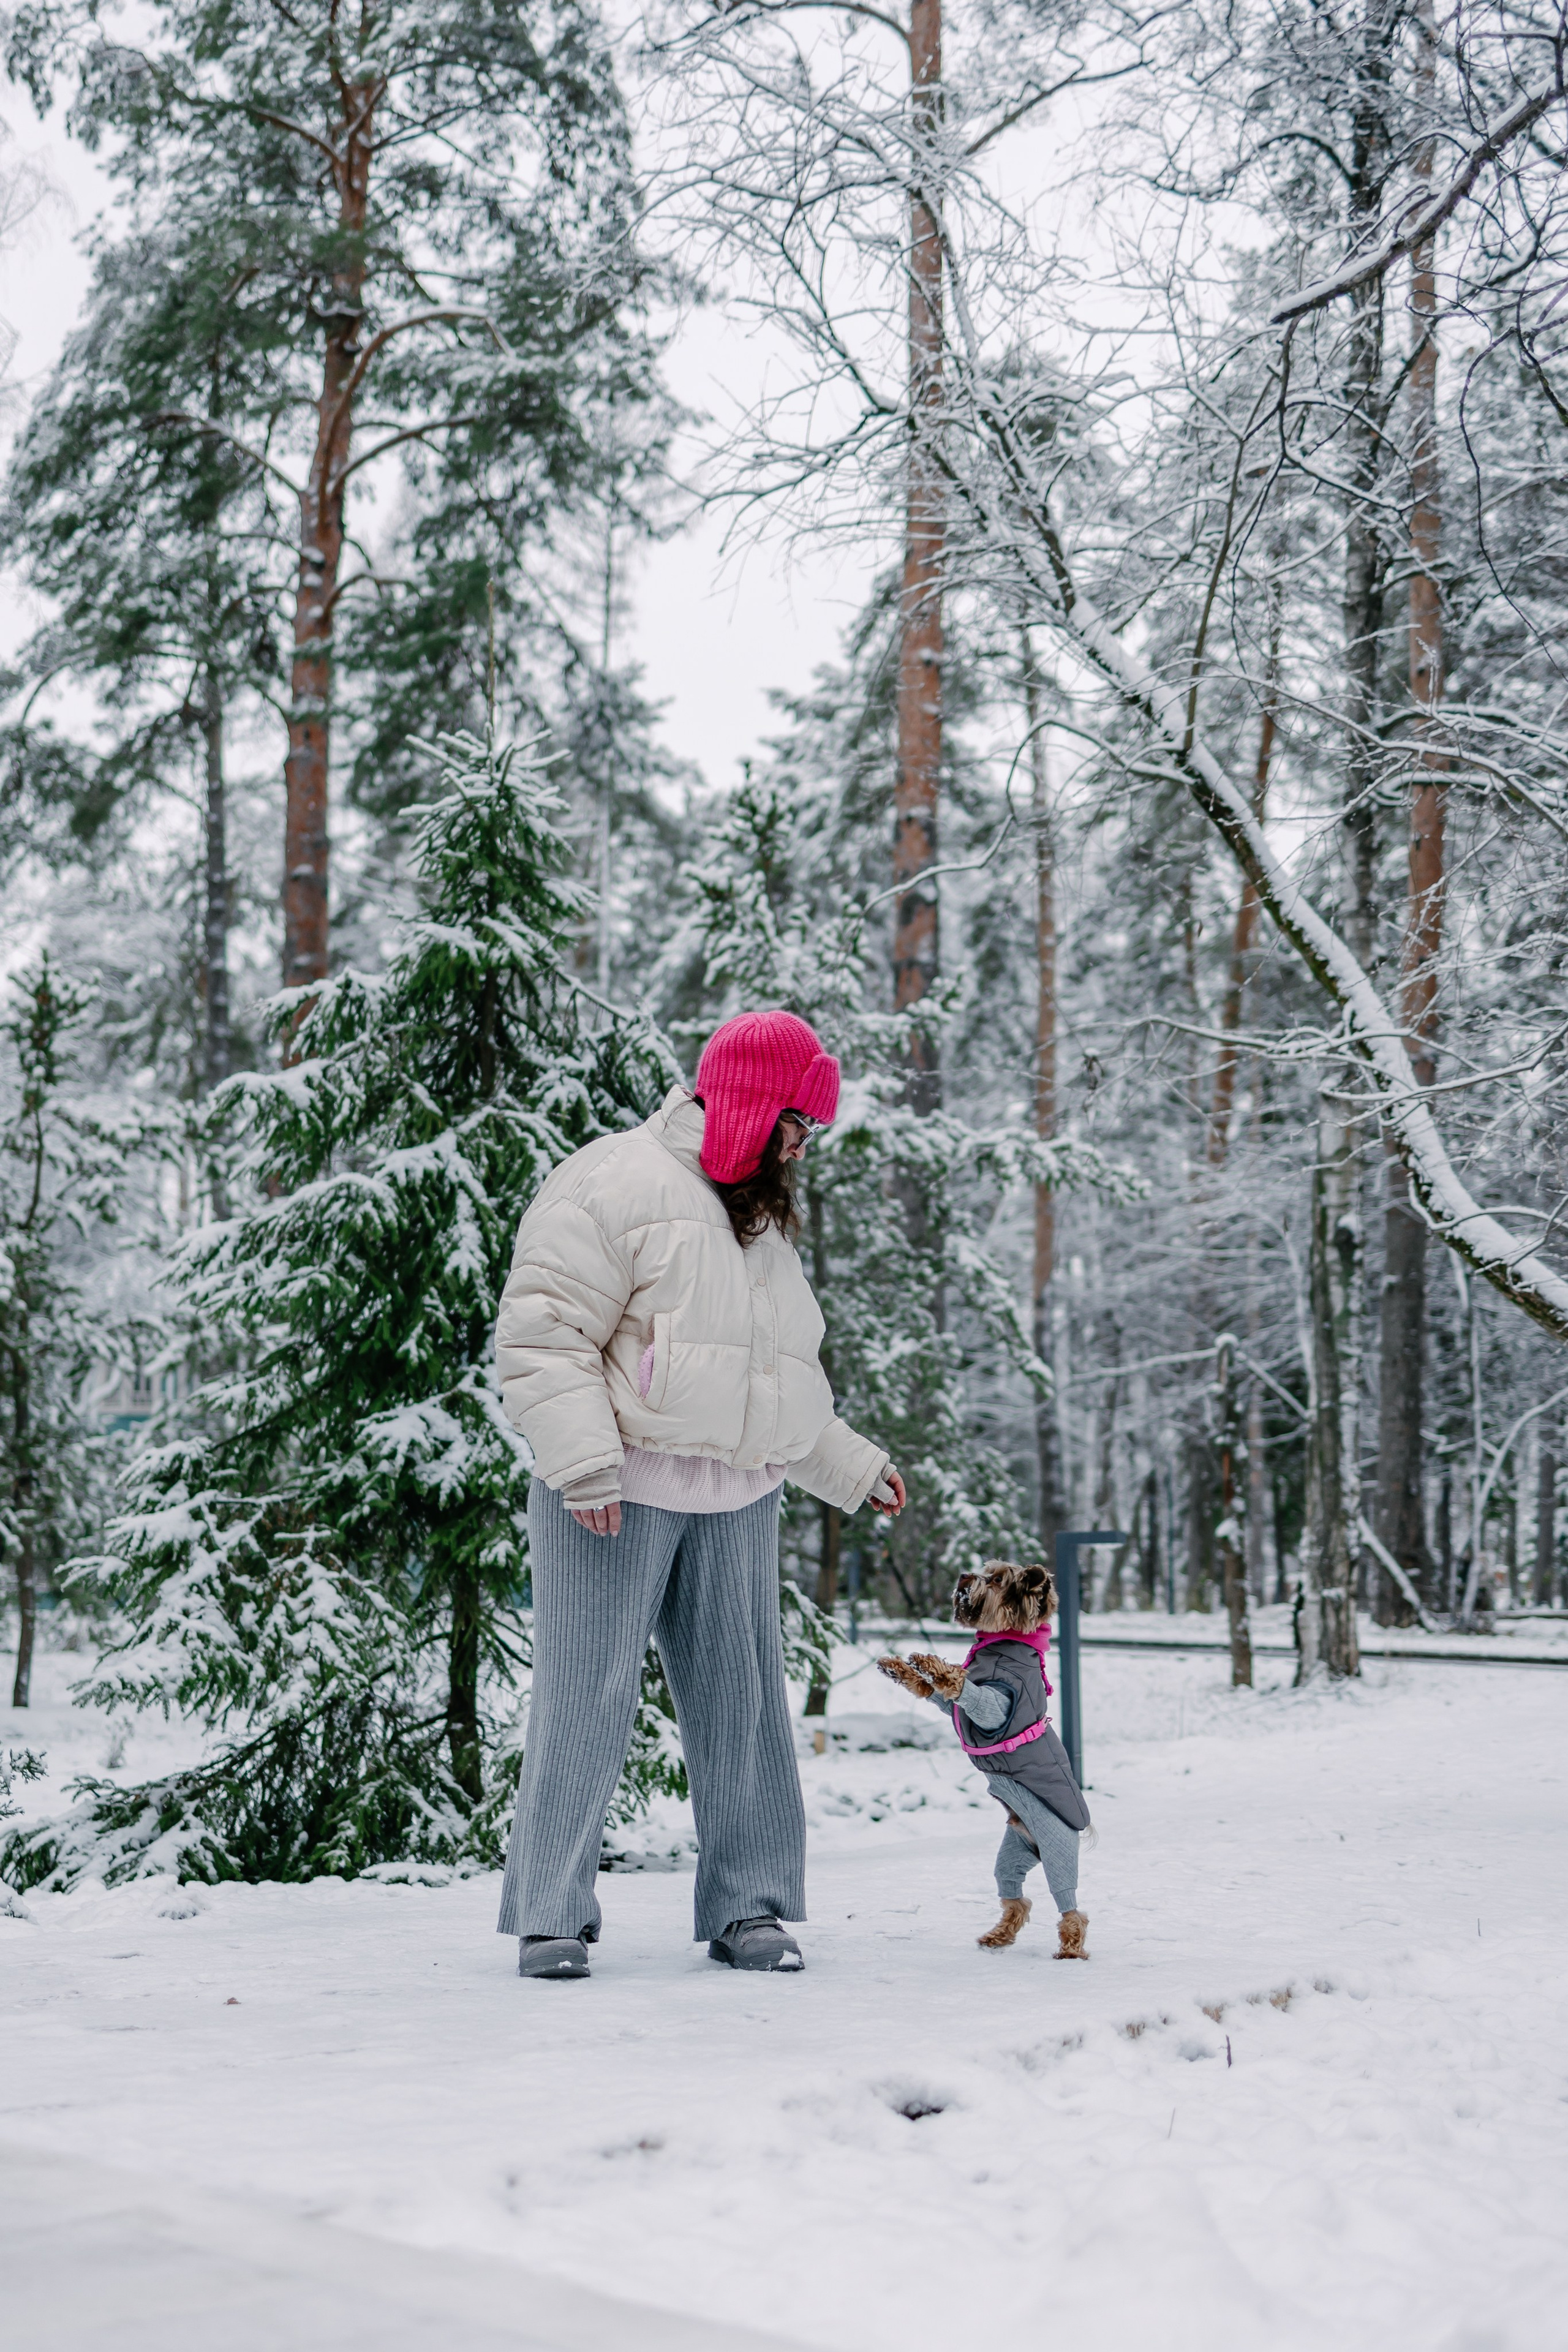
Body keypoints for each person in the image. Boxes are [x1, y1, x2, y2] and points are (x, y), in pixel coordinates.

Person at [494, 1008, 905, 1980]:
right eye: (797, 1124)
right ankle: (551, 1913)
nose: (803, 1148)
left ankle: (748, 1908)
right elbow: (544, 1334)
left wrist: (852, 1465)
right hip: (615, 1486)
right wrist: (583, 1462)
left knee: (746, 1703)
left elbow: (771, 1385)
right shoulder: (614, 1182)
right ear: (754, 1106)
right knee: (585, 1695)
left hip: (737, 1496)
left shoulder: (756, 1224)